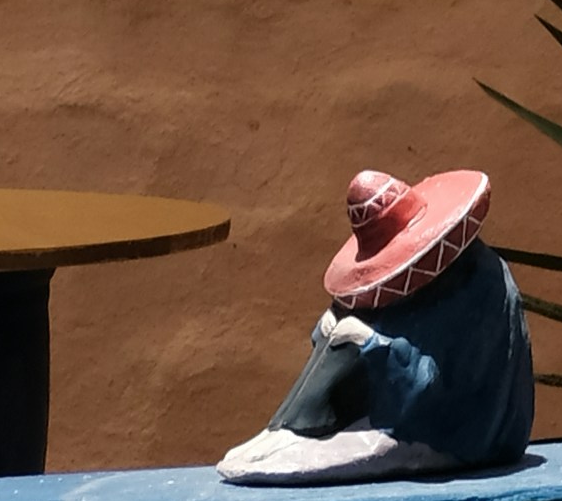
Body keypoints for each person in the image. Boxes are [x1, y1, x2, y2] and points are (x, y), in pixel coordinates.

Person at [221, 164, 537, 484]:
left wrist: (371, 344)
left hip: (464, 426)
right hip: (407, 395)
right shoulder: (409, 289)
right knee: (334, 331)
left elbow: (437, 373)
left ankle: (306, 431)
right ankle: (289, 428)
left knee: (349, 337)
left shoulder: (478, 283)